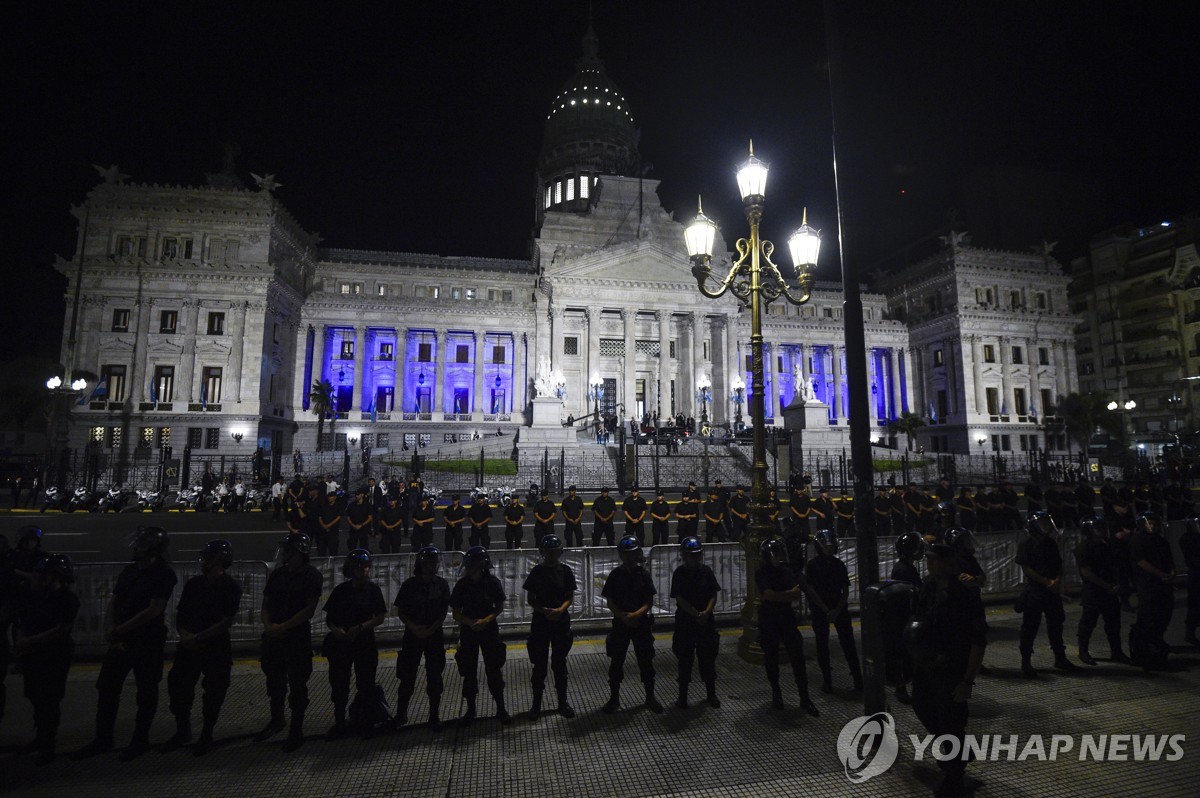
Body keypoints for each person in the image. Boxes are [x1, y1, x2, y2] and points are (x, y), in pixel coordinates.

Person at [73, 527, 178, 762]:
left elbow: (153, 610)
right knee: (107, 689)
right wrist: (110, 628)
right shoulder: (130, 571)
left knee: (146, 692)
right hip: (120, 640)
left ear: (152, 549)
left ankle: (140, 741)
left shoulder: (163, 574)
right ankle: (103, 739)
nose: (135, 549)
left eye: (140, 546)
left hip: (147, 641)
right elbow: (115, 600)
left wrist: (119, 629)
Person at [906, 542, 987, 798]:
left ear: (949, 563)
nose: (929, 564)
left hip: (952, 670)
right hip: (927, 667)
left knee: (952, 723)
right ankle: (960, 751)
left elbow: (978, 641)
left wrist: (967, 681)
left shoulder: (966, 595)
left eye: (935, 560)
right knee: (921, 705)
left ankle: (954, 776)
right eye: (928, 559)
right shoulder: (927, 587)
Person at [162, 539, 242, 756]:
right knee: (179, 688)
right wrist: (186, 635)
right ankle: (183, 730)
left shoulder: (230, 586)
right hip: (190, 645)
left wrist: (197, 637)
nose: (204, 560)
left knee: (214, 692)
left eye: (209, 557)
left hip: (214, 646)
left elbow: (226, 620)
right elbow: (182, 614)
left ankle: (206, 734)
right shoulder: (194, 584)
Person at [255, 532, 322, 752]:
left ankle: (296, 727)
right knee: (274, 681)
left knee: (297, 684)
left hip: (296, 637)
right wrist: (269, 626)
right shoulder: (277, 574)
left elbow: (309, 609)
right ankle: (277, 720)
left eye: (288, 549)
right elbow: (266, 604)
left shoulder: (311, 575)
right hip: (274, 637)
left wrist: (283, 627)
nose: (283, 553)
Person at [14, 554, 79, 766]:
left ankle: (47, 745)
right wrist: (23, 640)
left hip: (54, 655)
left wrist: (28, 641)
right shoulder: (34, 595)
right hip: (33, 654)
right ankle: (40, 737)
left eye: (45, 574)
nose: (40, 578)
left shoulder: (67, 599)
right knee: (34, 696)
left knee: (49, 700)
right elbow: (24, 620)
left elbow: (61, 629)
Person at [322, 549, 387, 739]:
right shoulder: (341, 591)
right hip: (341, 644)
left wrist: (360, 628)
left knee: (366, 684)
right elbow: (330, 618)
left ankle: (366, 721)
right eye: (362, 567)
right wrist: (336, 630)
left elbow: (380, 617)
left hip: (364, 643)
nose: (366, 570)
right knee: (340, 684)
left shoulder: (373, 590)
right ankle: (340, 722)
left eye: (367, 567)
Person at [756, 538, 819, 715]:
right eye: (774, 554)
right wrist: (786, 595)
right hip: (770, 618)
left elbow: (796, 593)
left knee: (797, 657)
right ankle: (776, 693)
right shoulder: (762, 571)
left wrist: (779, 596)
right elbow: (769, 595)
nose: (777, 557)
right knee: (771, 657)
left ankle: (804, 698)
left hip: (785, 617)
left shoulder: (787, 570)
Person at [600, 536, 661, 713]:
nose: (628, 557)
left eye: (632, 554)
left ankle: (650, 697)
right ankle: (614, 699)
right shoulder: (615, 575)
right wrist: (623, 617)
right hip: (621, 624)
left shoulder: (643, 574)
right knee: (616, 662)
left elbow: (649, 602)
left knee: (646, 661)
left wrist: (634, 615)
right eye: (625, 554)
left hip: (640, 624)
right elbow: (610, 601)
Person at [451, 546, 511, 725]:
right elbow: (456, 612)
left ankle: (500, 708)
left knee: (494, 669)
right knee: (469, 671)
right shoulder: (462, 585)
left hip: (489, 630)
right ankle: (471, 709)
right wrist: (470, 622)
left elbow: (499, 607)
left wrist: (485, 621)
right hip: (469, 631)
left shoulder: (492, 582)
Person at [393, 546, 451, 730]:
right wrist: (413, 627)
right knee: (407, 676)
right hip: (413, 635)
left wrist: (432, 628)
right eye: (430, 562)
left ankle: (434, 715)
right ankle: (401, 714)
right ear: (422, 564)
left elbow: (443, 611)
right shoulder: (410, 585)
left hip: (433, 636)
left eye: (435, 562)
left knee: (434, 676)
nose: (434, 565)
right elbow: (401, 611)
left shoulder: (441, 584)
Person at [1015, 511, 1077, 677]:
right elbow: (1026, 568)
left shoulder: (1050, 543)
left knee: (1056, 625)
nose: (1047, 527)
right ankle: (1026, 661)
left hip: (1052, 592)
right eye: (1042, 523)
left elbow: (1058, 565)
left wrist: (1056, 580)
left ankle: (1060, 658)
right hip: (1035, 592)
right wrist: (1045, 582)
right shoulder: (1026, 544)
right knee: (1030, 627)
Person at [523, 534, 577, 719]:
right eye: (549, 551)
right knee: (539, 664)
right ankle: (536, 705)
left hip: (560, 622)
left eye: (554, 551)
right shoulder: (537, 572)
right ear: (543, 553)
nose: (551, 555)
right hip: (541, 622)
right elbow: (531, 598)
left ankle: (563, 703)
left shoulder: (566, 571)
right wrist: (544, 610)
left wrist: (560, 610)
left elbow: (569, 596)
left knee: (559, 663)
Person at [806, 529, 863, 694]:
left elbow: (845, 589)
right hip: (822, 609)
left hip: (836, 608)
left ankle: (858, 679)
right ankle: (827, 680)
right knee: (822, 645)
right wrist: (827, 609)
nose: (829, 549)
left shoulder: (838, 565)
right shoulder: (813, 565)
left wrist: (836, 609)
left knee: (848, 643)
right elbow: (811, 589)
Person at [670, 537, 721, 709]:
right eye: (690, 555)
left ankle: (711, 694)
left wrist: (706, 612)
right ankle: (682, 697)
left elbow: (713, 594)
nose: (693, 558)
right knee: (685, 659)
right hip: (686, 622)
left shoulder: (706, 572)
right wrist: (696, 613)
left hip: (705, 622)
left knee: (707, 658)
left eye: (696, 554)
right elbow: (679, 597)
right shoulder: (679, 573)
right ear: (684, 556)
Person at [1074, 516, 1131, 666]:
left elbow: (1114, 566)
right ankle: (1083, 652)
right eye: (1097, 528)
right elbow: (1087, 572)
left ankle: (1116, 652)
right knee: (1088, 623)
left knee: (1113, 623)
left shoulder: (1106, 546)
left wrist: (1116, 585)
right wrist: (1107, 586)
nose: (1101, 530)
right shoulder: (1083, 548)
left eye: (1101, 527)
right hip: (1093, 591)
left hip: (1109, 590)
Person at [1129, 511, 1176, 670]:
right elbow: (1141, 562)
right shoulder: (1137, 540)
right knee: (1148, 620)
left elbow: (1169, 560)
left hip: (1164, 586)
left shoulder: (1161, 541)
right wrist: (1161, 574)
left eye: (1155, 523)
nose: (1153, 526)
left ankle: (1158, 650)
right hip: (1148, 586)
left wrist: (1171, 572)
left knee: (1162, 618)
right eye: (1150, 523)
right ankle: (1145, 655)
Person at [1180, 516, 1200, 648]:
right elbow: (1193, 558)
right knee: (1195, 604)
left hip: (1196, 572)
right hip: (1196, 573)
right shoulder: (1189, 538)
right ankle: (1190, 633)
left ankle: (1190, 632)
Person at [317, 491, 344, 557]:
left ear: (335, 497)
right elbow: (320, 516)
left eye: (331, 496)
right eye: (328, 496)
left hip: (333, 531)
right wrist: (323, 525)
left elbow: (338, 517)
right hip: (323, 531)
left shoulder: (338, 505)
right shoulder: (324, 505)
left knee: (333, 550)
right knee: (321, 550)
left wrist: (328, 525)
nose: (329, 498)